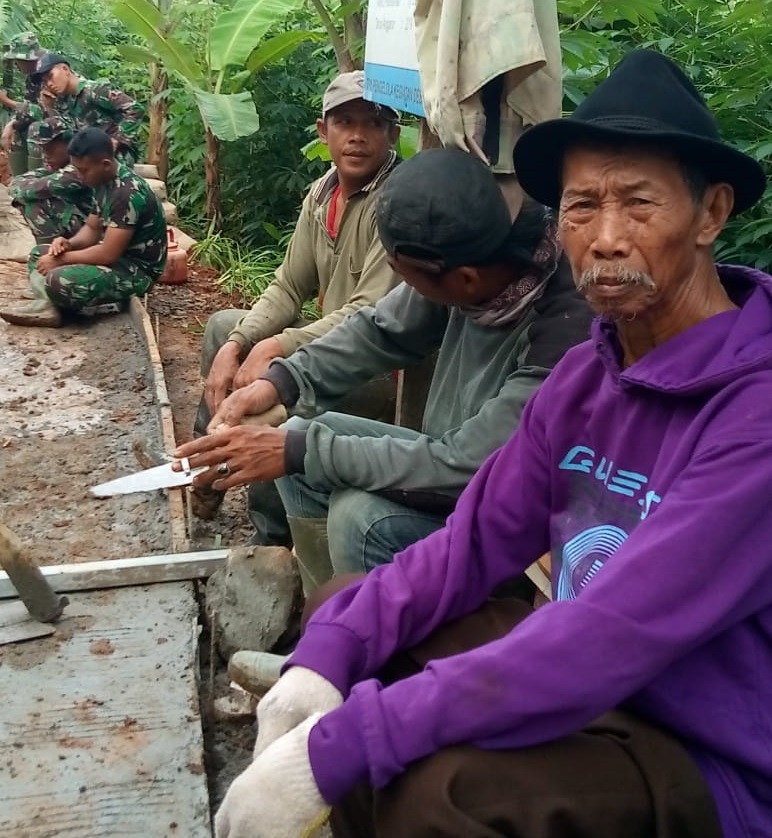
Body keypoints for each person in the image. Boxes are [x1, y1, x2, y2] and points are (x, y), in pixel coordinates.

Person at [211, 49, 772, 838]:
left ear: (710, 214)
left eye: (638, 204)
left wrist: (340, 748)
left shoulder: (753, 413)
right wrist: (324, 658)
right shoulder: (588, 376)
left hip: (706, 747)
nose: (605, 237)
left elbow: (607, 636)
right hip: (599, 686)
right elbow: (472, 541)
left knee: (444, 793)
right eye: (582, 207)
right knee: (348, 615)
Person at [174, 147, 592, 593]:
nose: (402, 286)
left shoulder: (565, 330)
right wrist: (282, 382)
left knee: (360, 518)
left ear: (465, 280)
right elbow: (379, 331)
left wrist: (299, 451)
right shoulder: (479, 255)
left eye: (406, 277)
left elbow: (467, 464)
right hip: (453, 464)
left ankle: (368, 652)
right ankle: (326, 610)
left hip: (512, 508)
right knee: (300, 434)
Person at [190, 69, 403, 523]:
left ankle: (273, 533)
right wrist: (239, 344)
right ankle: (207, 464)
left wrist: (278, 346)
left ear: (393, 134)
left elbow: (370, 313)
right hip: (331, 350)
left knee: (274, 385)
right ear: (325, 132)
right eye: (345, 122)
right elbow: (289, 286)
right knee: (223, 328)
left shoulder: (397, 203)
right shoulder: (322, 194)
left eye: (373, 123)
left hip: (378, 368)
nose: (358, 137)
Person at [0, 128, 167, 329]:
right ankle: (49, 303)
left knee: (58, 279)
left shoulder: (126, 193)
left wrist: (62, 259)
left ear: (105, 164)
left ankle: (49, 300)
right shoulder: (102, 182)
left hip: (136, 272)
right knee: (39, 254)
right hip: (118, 260)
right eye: (76, 169)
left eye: (83, 170)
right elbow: (91, 228)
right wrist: (68, 244)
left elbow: (108, 254)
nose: (79, 175)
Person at [31, 53, 144, 166]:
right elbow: (64, 133)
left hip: (116, 154)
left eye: (51, 76)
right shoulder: (64, 100)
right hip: (87, 154)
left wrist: (115, 141)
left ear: (65, 69)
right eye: (45, 81)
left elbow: (135, 108)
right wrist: (49, 108)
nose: (49, 84)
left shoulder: (94, 90)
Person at [9, 115, 93, 245]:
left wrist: (24, 189)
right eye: (42, 149)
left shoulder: (80, 165)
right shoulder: (59, 164)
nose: (45, 154)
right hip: (81, 223)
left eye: (50, 148)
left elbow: (41, 188)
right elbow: (16, 183)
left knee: (37, 203)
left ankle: (50, 254)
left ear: (68, 142)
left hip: (95, 230)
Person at [0, 33, 54, 175]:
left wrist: (6, 101)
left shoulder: (50, 74)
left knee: (35, 129)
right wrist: (12, 124)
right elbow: (29, 104)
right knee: (20, 129)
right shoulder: (33, 77)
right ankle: (22, 185)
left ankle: (37, 185)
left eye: (18, 61)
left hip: (64, 123)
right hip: (48, 122)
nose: (17, 65)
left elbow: (41, 110)